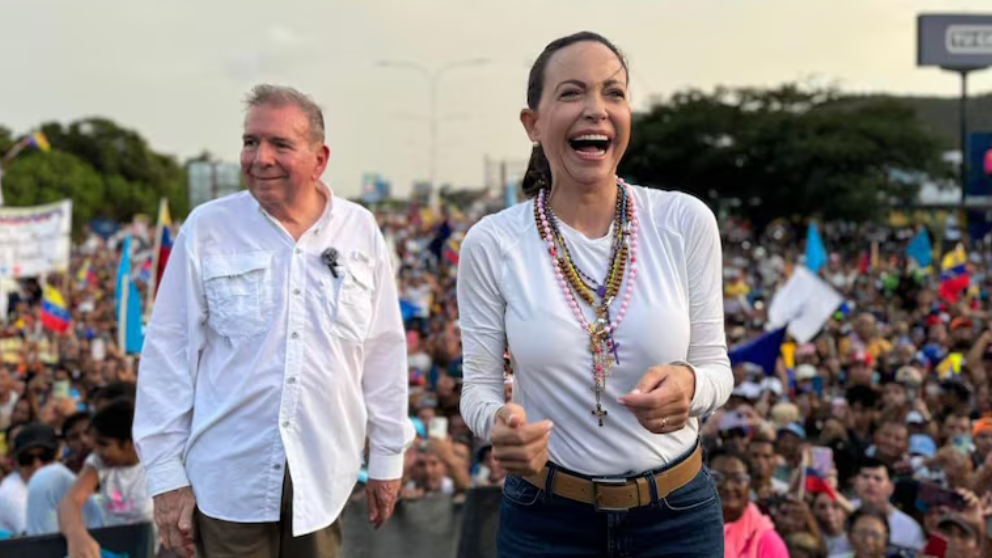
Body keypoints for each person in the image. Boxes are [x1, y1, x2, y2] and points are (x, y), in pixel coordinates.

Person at [458, 31, 732, 557]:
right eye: (571, 93)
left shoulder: (684, 221)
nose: (596, 110)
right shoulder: (492, 243)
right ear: (532, 124)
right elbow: (478, 387)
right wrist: (499, 427)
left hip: (677, 519)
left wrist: (690, 386)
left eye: (614, 93)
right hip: (546, 520)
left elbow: (718, 370)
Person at [134, 84, 414, 558]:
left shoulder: (360, 230)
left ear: (319, 159)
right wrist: (166, 479)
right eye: (250, 142)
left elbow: (383, 351)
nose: (260, 158)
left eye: (280, 144)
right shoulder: (207, 228)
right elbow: (168, 356)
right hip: (226, 481)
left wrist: (388, 457)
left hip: (325, 477)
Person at [59, 398, 152, 558]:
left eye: (104, 444)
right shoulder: (99, 462)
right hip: (116, 549)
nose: (97, 451)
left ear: (130, 443)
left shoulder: (154, 463)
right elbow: (70, 502)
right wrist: (77, 536)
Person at [710, 448, 788, 558]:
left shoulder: (767, 541)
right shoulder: (687, 527)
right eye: (717, 478)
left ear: (750, 486)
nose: (728, 486)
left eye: (738, 479)